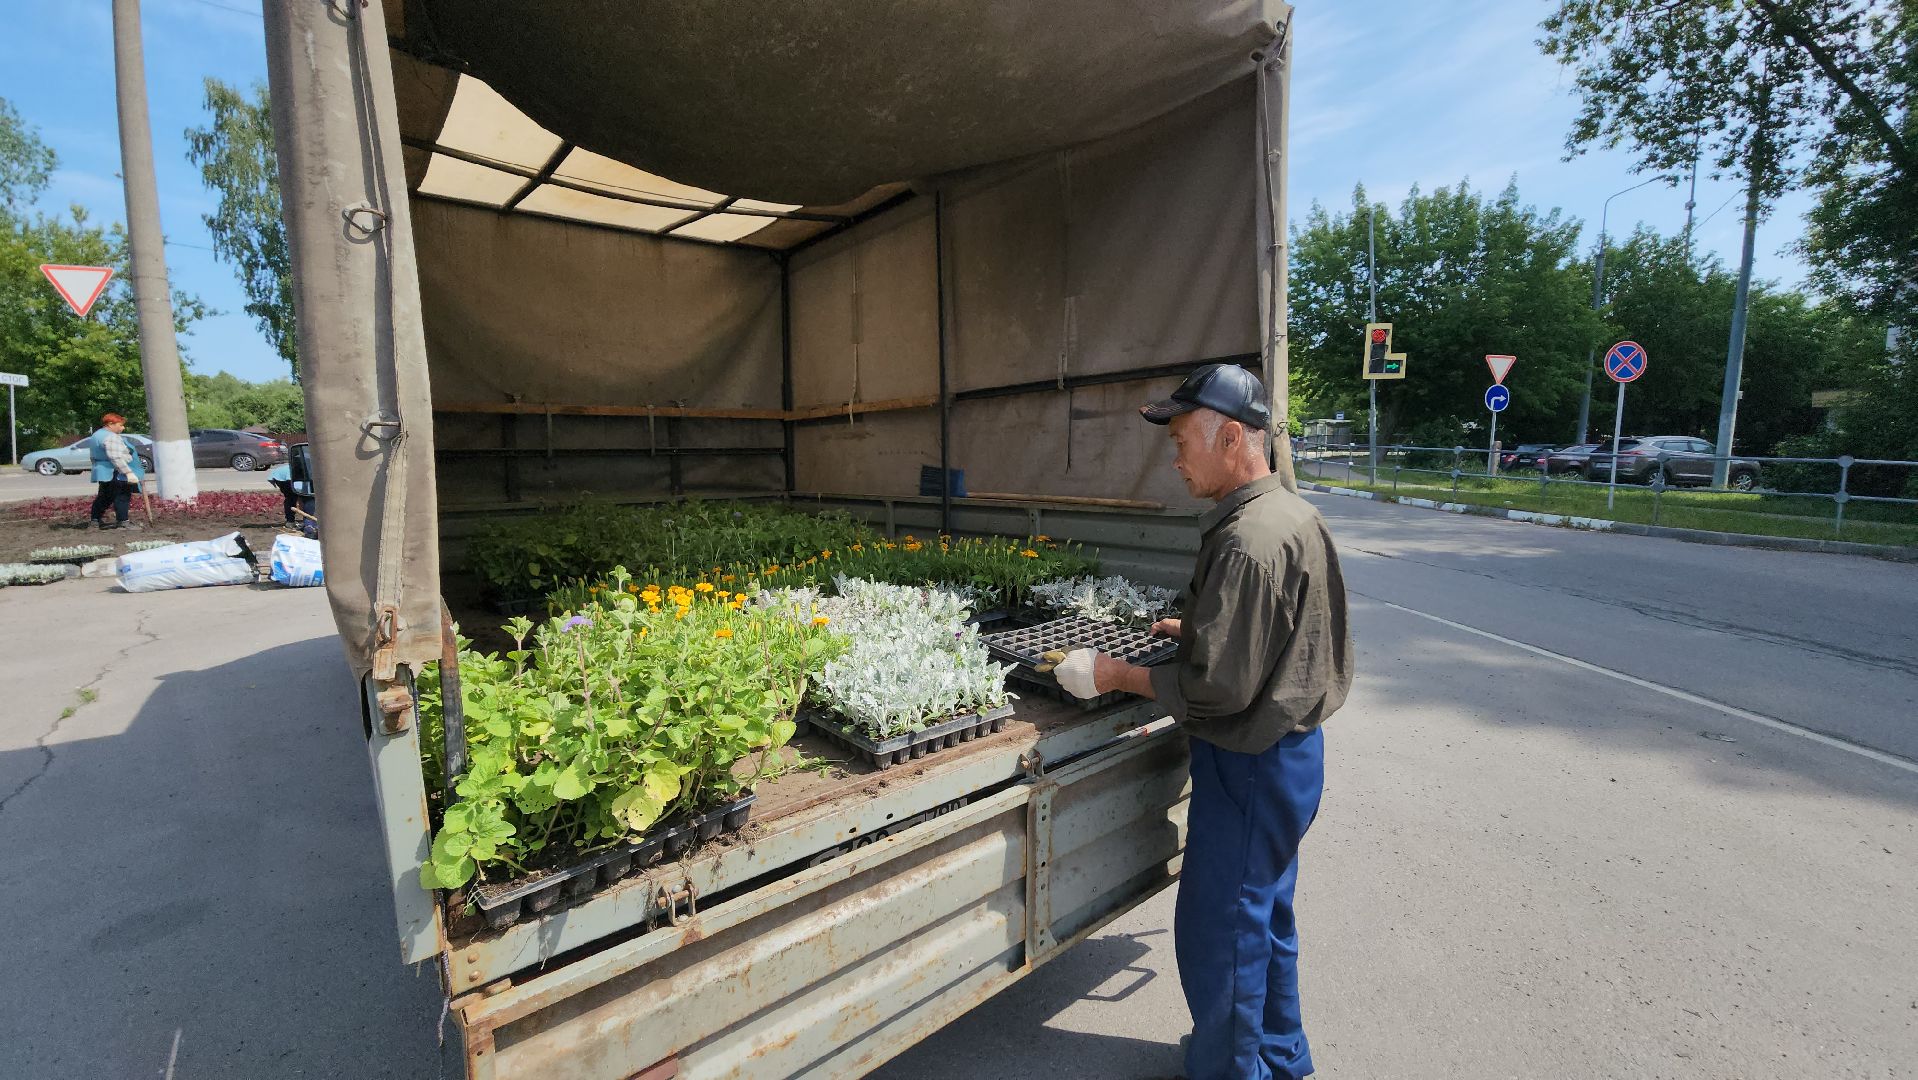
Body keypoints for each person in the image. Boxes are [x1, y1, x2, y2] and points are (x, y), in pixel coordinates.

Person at [1052, 364, 1353, 1080]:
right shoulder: (1285, 514)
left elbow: (1219, 690)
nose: (1176, 457)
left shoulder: (1250, 541)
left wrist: (1113, 674)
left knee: (1223, 933)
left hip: (1252, 762)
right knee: (1265, 919)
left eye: (1183, 439)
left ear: (1230, 436)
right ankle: (1279, 1059)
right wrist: (1198, 627)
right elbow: (1275, 632)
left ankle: (1230, 1070)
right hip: (1288, 758)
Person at [88, 412, 145, 530]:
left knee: (104, 497)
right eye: (120, 425)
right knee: (122, 496)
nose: (123, 427)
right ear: (110, 424)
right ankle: (123, 522)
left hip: (103, 471)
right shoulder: (111, 437)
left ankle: (95, 521)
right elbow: (115, 457)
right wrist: (128, 472)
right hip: (115, 472)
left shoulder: (96, 435)